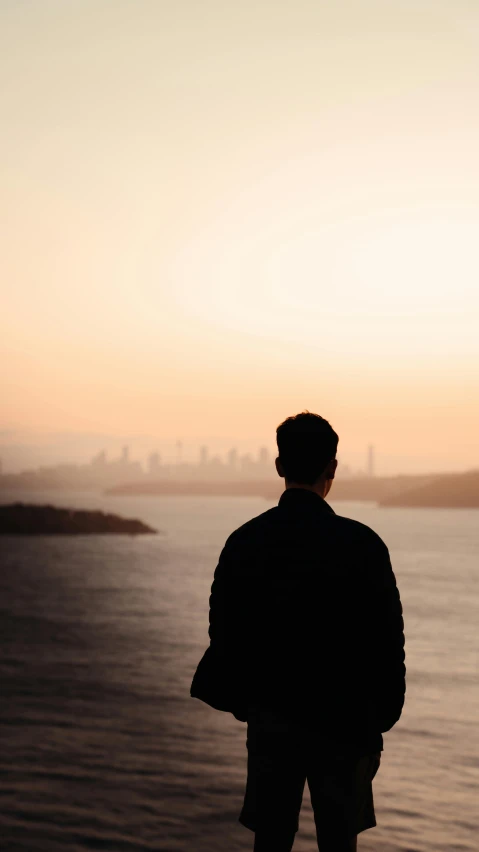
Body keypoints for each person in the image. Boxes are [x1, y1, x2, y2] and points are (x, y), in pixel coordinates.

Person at [191, 411, 406, 851]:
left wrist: (250, 706)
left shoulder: (244, 541)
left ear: (279, 465)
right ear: (333, 468)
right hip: (347, 722)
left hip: (273, 720)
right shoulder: (363, 544)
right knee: (339, 841)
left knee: (270, 839)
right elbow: (388, 643)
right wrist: (381, 716)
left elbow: (223, 633)